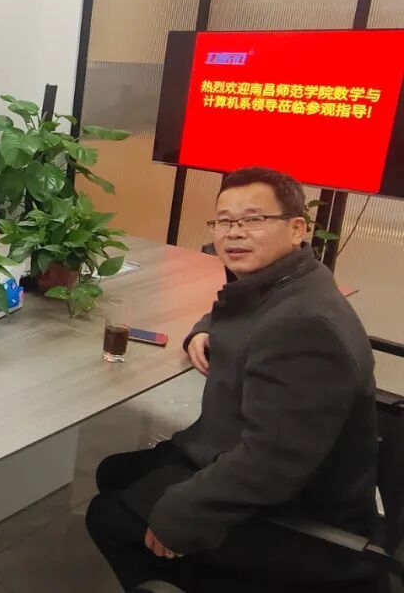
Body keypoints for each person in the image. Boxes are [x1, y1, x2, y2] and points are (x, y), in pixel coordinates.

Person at [85, 166, 378, 593]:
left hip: (298, 516)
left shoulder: (305, 328)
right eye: (224, 221)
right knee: (115, 472)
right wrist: (202, 330)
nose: (234, 232)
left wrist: (179, 516)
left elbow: (271, 464)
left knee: (107, 516)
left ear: (297, 228)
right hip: (240, 452)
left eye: (254, 219)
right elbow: (237, 307)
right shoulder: (295, 282)